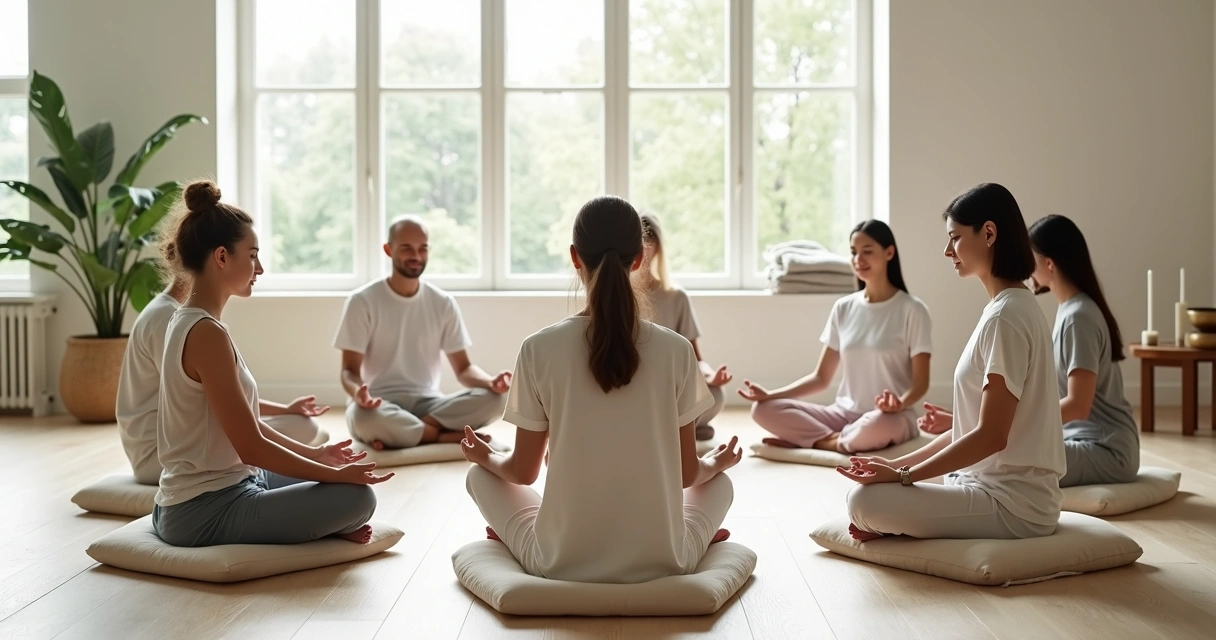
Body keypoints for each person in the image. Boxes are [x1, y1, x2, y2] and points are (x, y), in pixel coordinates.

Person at [460, 195, 742, 584]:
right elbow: (687, 474)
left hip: (557, 562)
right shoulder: (676, 350)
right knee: (720, 484)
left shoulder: (538, 348)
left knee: (479, 477)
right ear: (640, 258)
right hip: (667, 559)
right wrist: (717, 464)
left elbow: (523, 472)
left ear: (575, 257)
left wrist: (487, 456)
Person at [152, 180, 392, 548]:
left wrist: (316, 454)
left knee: (335, 484)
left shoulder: (188, 321)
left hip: (221, 488)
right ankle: (328, 523)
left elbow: (250, 430)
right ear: (221, 257)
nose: (259, 268)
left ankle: (322, 519)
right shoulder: (206, 334)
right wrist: (331, 472)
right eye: (251, 255)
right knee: (357, 498)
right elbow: (252, 447)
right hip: (203, 511)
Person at [840, 183, 1064, 541]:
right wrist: (895, 465)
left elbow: (991, 435)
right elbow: (975, 428)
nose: (947, 251)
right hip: (991, 487)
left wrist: (903, 477)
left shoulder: (1005, 317)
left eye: (955, 238)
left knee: (863, 502)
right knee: (871, 495)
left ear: (988, 233)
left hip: (1014, 505)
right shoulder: (1008, 307)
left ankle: (894, 523)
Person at [739, 220, 932, 454]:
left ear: (889, 252)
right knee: (762, 409)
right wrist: (770, 395)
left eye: (867, 252)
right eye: (853, 252)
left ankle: (814, 441)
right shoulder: (843, 307)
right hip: (844, 415)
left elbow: (921, 384)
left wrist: (898, 403)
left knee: (875, 425)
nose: (858, 259)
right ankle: (835, 441)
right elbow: (821, 378)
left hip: (891, 417)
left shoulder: (913, 310)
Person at [117, 274, 329, 486]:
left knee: (302, 425)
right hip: (162, 456)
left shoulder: (176, 313)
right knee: (304, 428)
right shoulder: (169, 318)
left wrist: (286, 410)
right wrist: (313, 455)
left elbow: (222, 394)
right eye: (251, 255)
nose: (259, 270)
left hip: (180, 443)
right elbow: (220, 401)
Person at [334, 215, 510, 450]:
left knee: (496, 399)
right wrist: (359, 394)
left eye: (422, 248)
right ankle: (441, 436)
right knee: (363, 418)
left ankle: (410, 434)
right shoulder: (362, 301)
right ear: (389, 250)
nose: (416, 256)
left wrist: (491, 382)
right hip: (378, 404)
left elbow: (464, 369)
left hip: (430, 404)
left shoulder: (442, 302)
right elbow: (349, 371)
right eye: (407, 248)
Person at [1028, 214, 1139, 486]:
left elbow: (1078, 404)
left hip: (1107, 451)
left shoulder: (1079, 317)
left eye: (1029, 258)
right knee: (1000, 454)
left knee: (1006, 458)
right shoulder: (1070, 310)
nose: (1025, 267)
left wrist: (1021, 422)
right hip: (1081, 441)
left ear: (1049, 263)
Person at [635, 213, 731, 440]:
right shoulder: (622, 296)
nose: (646, 251)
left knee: (716, 394)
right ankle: (687, 429)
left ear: (659, 249)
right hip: (636, 388)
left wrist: (710, 377)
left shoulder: (676, 297)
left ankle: (680, 429)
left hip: (672, 388)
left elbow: (696, 358)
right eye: (641, 244)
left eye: (651, 244)